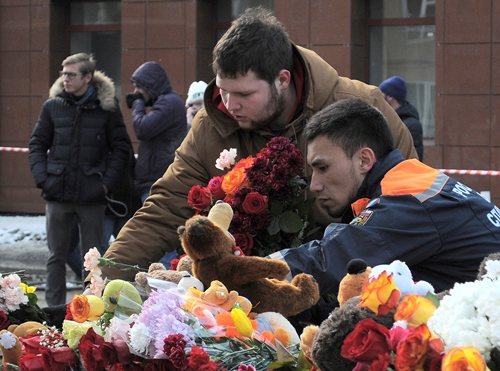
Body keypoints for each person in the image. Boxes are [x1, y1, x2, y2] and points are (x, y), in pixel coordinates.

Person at [94, 7, 418, 283]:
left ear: (282, 80)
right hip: (251, 297)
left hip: (355, 283)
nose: (230, 105)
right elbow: (165, 208)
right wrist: (104, 278)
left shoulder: (362, 107)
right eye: (223, 90)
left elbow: (406, 206)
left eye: (245, 95)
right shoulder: (212, 125)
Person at [269, 98, 500, 296]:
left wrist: (250, 271)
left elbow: (331, 259)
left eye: (323, 168)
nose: (315, 185)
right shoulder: (412, 183)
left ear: (364, 160)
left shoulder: (407, 200)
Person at [28, 52, 131, 306]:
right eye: (63, 74)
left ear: (87, 77)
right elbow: (37, 144)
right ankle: (52, 312)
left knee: (92, 258)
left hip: (91, 195)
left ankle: (90, 309)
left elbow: (121, 149)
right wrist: (43, 178)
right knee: (56, 257)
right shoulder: (53, 106)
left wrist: (104, 183)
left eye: (71, 74)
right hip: (57, 192)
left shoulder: (106, 108)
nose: (65, 79)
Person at [125, 61, 187, 205]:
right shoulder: (168, 101)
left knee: (153, 226)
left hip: (158, 183)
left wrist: (137, 103)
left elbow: (142, 129)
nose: (135, 92)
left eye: (139, 87)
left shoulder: (168, 102)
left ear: (150, 86)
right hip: (156, 182)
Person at [379, 76, 424, 161]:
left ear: (390, 97)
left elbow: (415, 158)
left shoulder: (411, 125)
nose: (378, 99)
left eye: (381, 95)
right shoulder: (385, 120)